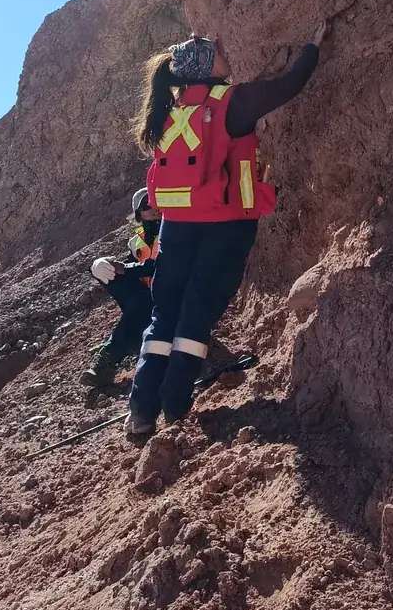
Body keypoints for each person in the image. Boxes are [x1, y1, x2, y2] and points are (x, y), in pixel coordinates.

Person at [124, 27, 325, 442]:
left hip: (177, 225)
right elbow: (291, 85)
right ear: (204, 66)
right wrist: (313, 46)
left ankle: (142, 410)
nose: (224, 50)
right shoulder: (232, 102)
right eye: (216, 50)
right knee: (198, 309)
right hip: (226, 223)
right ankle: (176, 405)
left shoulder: (169, 113)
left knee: (165, 313)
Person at [80, 188, 161, 387]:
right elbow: (129, 270)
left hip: (171, 296)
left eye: (156, 201)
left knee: (140, 303)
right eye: (147, 206)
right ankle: (119, 348)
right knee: (108, 272)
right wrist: (101, 267)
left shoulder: (174, 229)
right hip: (147, 301)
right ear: (138, 215)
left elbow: (161, 266)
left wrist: (125, 268)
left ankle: (108, 358)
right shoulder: (136, 242)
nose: (154, 208)